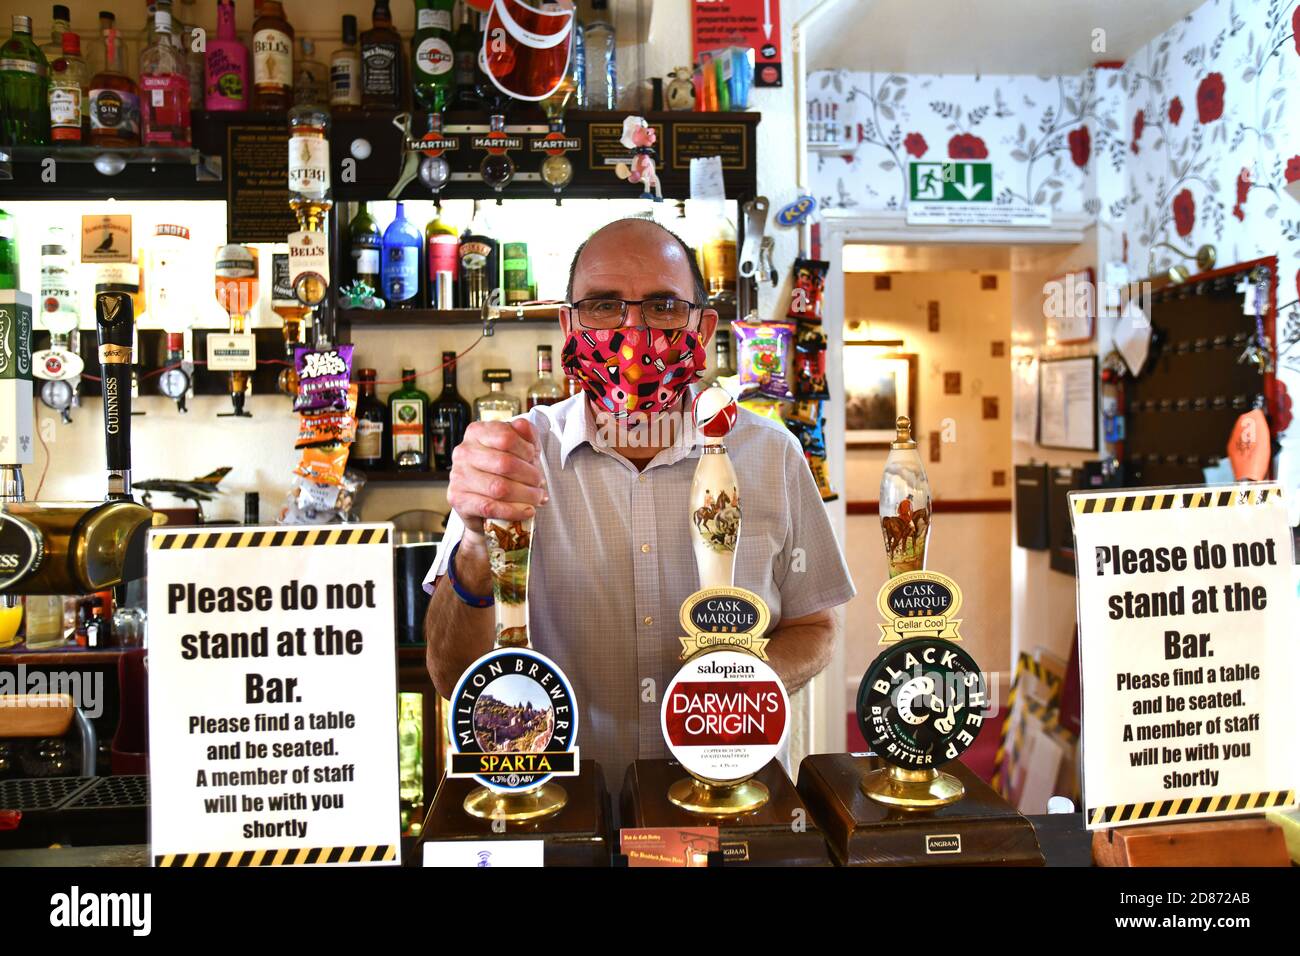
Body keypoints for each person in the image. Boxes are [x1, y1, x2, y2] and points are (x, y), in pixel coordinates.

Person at [423, 218, 855, 793]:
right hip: (565, 812)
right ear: (567, 323)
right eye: (604, 306)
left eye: (662, 306)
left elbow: (816, 626)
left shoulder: (772, 454)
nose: (633, 331)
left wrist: (741, 683)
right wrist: (478, 545)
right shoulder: (511, 460)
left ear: (702, 328)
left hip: (731, 806)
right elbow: (451, 675)